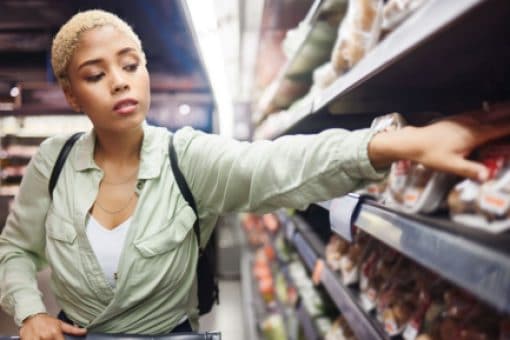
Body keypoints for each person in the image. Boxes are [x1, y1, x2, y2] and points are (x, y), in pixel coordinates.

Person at [0, 8, 509, 340]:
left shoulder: (186, 158)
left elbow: (276, 165)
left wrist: (403, 142)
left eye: (130, 65)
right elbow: (15, 250)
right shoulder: (54, 162)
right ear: (71, 93)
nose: (118, 82)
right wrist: (29, 311)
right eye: (94, 75)